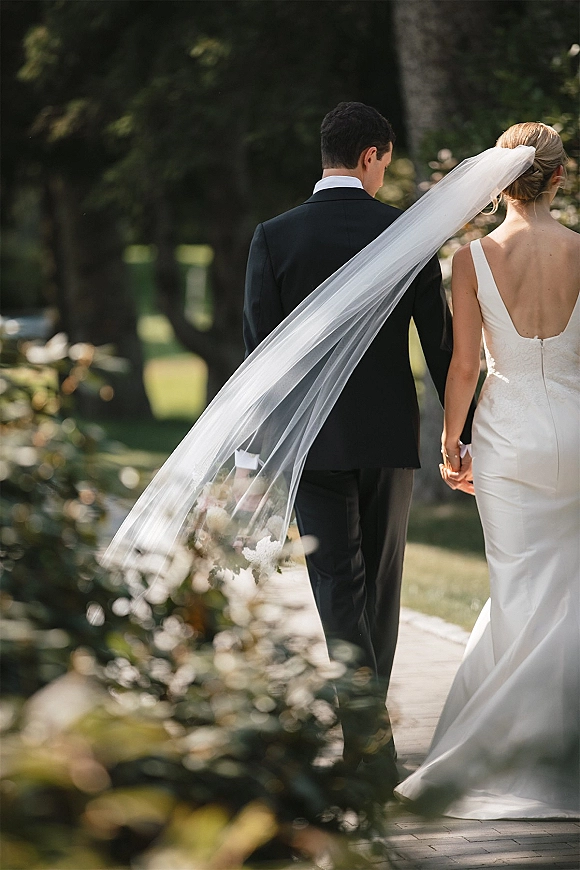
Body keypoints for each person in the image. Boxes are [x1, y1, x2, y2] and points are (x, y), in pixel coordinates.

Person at [240, 101, 474, 788]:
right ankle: (369, 746)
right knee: (381, 590)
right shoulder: (404, 232)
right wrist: (463, 433)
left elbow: (261, 358)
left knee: (339, 589)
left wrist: (258, 456)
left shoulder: (274, 237)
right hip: (386, 439)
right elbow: (440, 344)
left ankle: (365, 745)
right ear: (373, 155)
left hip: (310, 446)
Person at [395, 122, 580, 819]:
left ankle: (519, 754)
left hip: (506, 436)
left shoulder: (470, 260)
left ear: (500, 181)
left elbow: (464, 364)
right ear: (559, 177)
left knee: (519, 589)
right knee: (569, 584)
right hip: (574, 426)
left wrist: (451, 442)